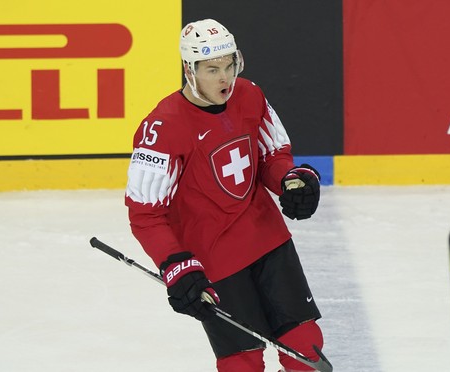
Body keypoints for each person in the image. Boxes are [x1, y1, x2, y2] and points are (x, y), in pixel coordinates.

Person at [125, 18, 325, 372]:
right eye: (212, 69)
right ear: (190, 69)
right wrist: (176, 265)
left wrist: (290, 179)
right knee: (242, 362)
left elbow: (271, 157)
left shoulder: (250, 95)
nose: (225, 78)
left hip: (267, 239)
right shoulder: (163, 127)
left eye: (230, 65)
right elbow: (145, 214)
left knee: (305, 347)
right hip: (215, 257)